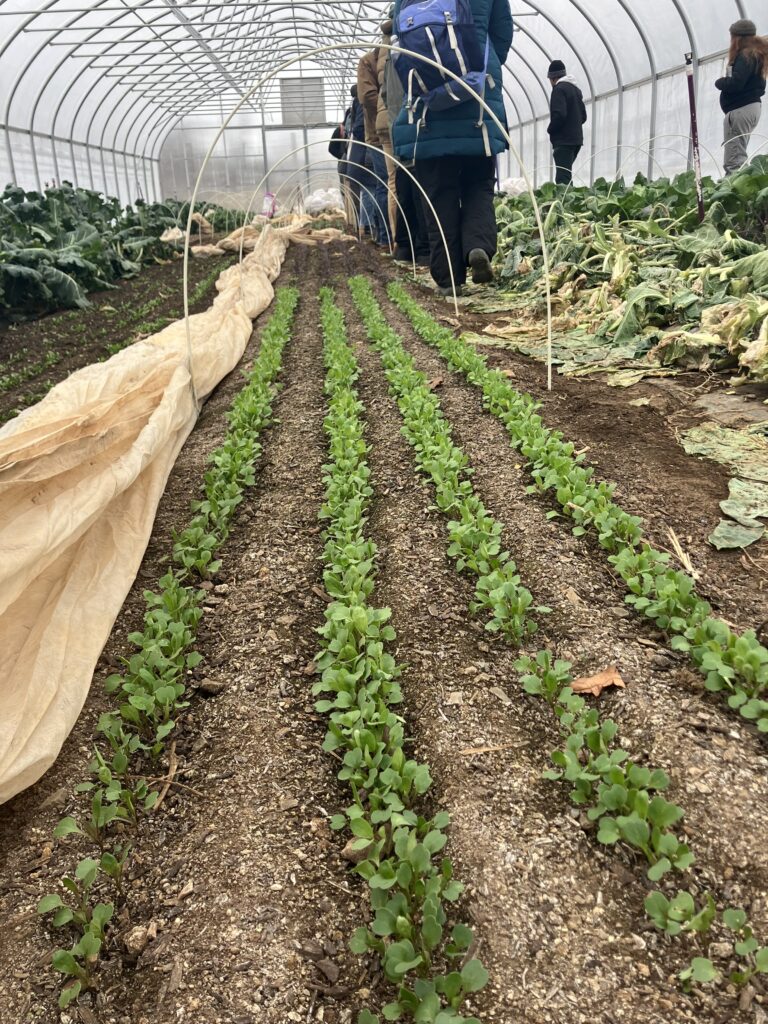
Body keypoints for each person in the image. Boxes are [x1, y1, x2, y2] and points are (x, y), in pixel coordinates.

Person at [391, 0, 514, 296]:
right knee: (478, 184)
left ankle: (448, 279)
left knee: (438, 194)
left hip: (428, 111)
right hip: (477, 101)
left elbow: (401, 42)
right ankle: (477, 245)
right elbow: (502, 35)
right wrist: (482, 62)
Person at [715, 19, 767, 175]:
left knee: (734, 161)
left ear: (737, 38)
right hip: (751, 108)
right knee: (738, 154)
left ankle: (734, 195)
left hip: (740, 110)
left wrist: (720, 82)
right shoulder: (756, 54)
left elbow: (736, 83)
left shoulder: (745, 56)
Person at [358, 47, 391, 247]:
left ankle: (399, 239)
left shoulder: (403, 52)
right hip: (379, 136)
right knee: (385, 185)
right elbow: (367, 96)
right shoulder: (368, 61)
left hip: (403, 132)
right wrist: (391, 105)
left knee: (396, 186)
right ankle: (386, 237)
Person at [546, 60, 587, 186]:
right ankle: (569, 201)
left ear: (553, 78)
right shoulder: (575, 90)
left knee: (563, 179)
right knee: (566, 174)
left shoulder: (559, 89)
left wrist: (550, 129)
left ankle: (566, 204)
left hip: (563, 141)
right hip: (576, 141)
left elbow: (559, 115)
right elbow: (583, 116)